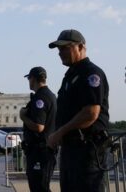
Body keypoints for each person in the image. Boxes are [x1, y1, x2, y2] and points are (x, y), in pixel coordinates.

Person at [46, 29, 110, 192]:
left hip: (87, 151)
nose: (60, 53)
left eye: (65, 48)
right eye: (59, 50)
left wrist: (59, 133)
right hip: (72, 150)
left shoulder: (90, 73)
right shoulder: (71, 75)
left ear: (81, 47)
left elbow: (91, 113)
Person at [19, 66, 57, 192]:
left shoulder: (40, 98)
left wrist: (23, 117)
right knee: (40, 186)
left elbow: (39, 127)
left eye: (29, 78)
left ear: (33, 79)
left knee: (39, 187)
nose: (29, 82)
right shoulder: (50, 95)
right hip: (44, 149)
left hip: (40, 151)